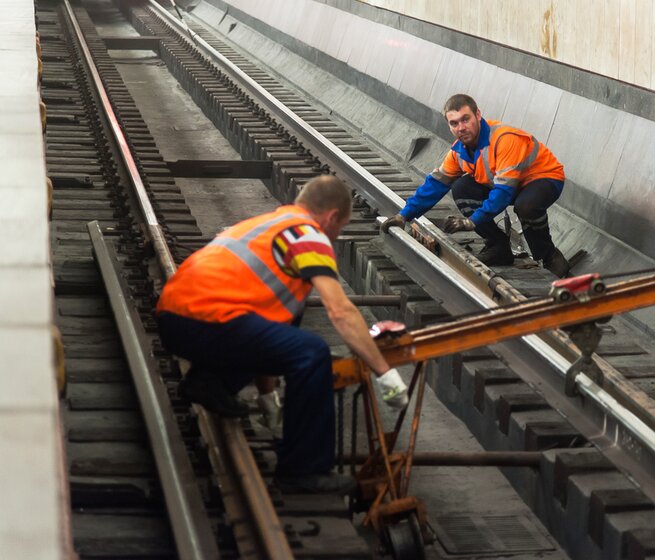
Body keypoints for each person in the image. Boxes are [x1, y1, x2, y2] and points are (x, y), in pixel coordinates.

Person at [156, 175, 408, 494]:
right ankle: (302, 470)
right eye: (339, 228)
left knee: (287, 329)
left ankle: (209, 381)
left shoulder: (266, 224)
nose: (335, 235)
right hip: (208, 321)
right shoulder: (308, 235)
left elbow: (267, 329)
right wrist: (384, 372)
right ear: (331, 217)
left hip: (176, 317)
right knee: (312, 353)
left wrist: (267, 397)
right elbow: (341, 311)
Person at [381, 93, 570, 277]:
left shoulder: (504, 140)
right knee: (462, 188)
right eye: (454, 123)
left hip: (543, 178)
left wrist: (473, 221)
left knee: (526, 206)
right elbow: (435, 185)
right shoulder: (458, 152)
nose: (461, 128)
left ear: (478, 115)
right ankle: (498, 247)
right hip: (510, 185)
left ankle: (549, 255)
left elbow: (503, 193)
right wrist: (404, 215)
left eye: (465, 119)